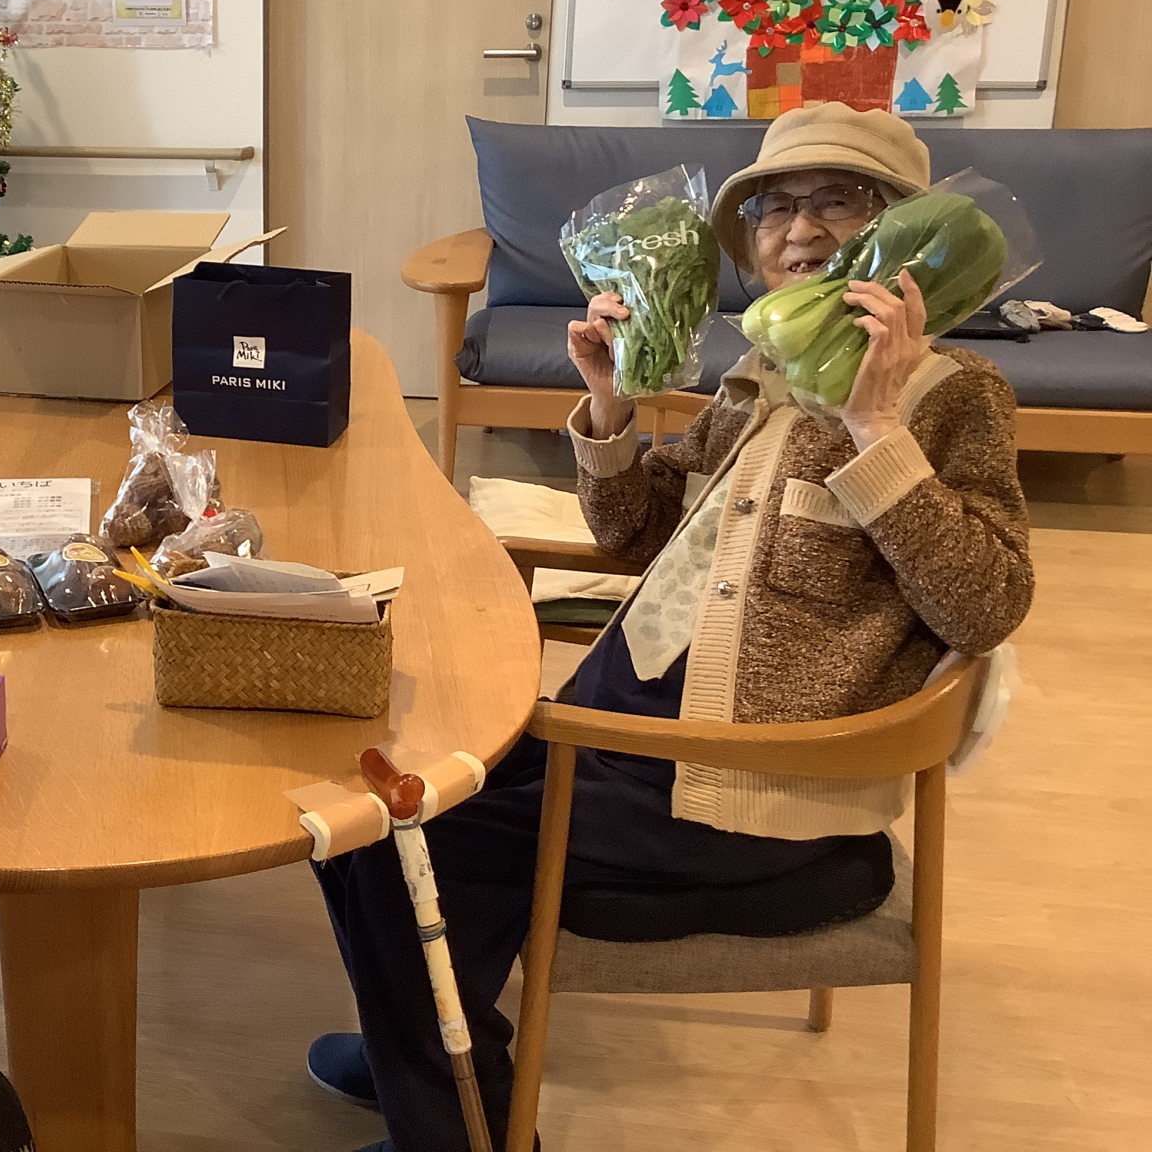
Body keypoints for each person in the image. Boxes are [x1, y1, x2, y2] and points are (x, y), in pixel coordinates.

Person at [306, 105, 1034, 1152]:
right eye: (775, 207)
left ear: (903, 238)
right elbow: (638, 532)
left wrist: (874, 428)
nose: (800, 229)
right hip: (628, 725)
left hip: (740, 785)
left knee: (403, 841)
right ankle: (422, 1054)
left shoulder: (952, 396)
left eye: (838, 202)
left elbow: (988, 604)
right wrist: (607, 406)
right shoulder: (760, 375)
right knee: (358, 792)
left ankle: (460, 1125)